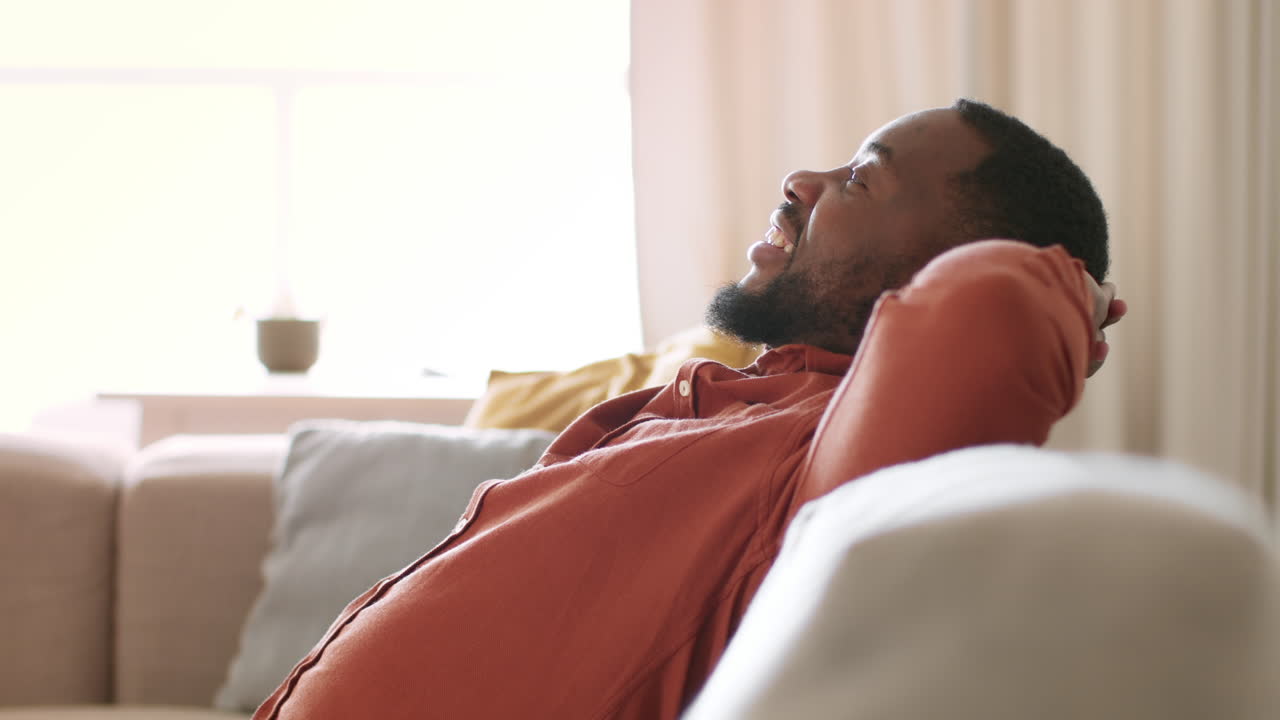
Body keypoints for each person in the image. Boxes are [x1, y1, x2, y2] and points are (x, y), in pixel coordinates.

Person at [253, 99, 1126, 720]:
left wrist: (1063, 287)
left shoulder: (831, 464)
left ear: (956, 259)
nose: (802, 180)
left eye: (862, 178)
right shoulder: (748, 409)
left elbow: (989, 311)